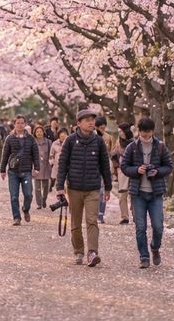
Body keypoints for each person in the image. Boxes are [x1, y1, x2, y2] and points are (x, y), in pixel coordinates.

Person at [56, 109, 112, 267]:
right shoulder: (70, 141)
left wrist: (107, 187)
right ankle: (79, 251)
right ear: (78, 123)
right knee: (75, 222)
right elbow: (63, 165)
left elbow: (104, 166)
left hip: (93, 188)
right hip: (74, 188)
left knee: (92, 220)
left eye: (92, 119)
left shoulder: (99, 141)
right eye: (87, 120)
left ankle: (92, 252)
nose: (91, 122)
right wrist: (60, 187)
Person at [121, 117, 173, 269]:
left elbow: (169, 166)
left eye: (148, 132)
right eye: (143, 132)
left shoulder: (160, 147)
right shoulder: (132, 147)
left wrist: (157, 171)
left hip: (155, 193)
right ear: (139, 131)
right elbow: (125, 167)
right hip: (138, 193)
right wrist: (137, 170)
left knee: (158, 226)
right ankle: (144, 256)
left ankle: (155, 247)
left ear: (152, 131)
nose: (145, 135)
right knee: (140, 227)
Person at [0, 114, 39, 226]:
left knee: (28, 195)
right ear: (14, 124)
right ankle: (16, 217)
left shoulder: (31, 139)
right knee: (13, 196)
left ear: (25, 124)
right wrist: (2, 169)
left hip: (26, 171)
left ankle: (25, 209)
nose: (20, 125)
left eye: (22, 123)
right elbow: (5, 154)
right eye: (18, 123)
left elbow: (35, 154)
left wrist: (36, 168)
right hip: (13, 171)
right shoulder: (9, 138)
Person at [95, 115, 116, 223]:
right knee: (95, 191)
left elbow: (112, 153)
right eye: (99, 128)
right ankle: (94, 212)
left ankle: (100, 214)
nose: (101, 130)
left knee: (102, 191)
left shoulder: (109, 138)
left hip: (105, 165)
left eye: (103, 128)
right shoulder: (92, 137)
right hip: (93, 166)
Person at [112, 123, 134, 224]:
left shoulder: (134, 142)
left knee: (134, 193)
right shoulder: (118, 142)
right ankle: (124, 216)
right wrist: (116, 168)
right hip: (122, 170)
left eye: (121, 131)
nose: (120, 133)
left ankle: (135, 214)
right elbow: (114, 155)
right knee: (122, 194)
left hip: (133, 169)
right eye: (119, 131)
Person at [32, 124, 52, 209]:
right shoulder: (32, 142)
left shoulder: (48, 142)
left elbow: (51, 154)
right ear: (35, 133)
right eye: (37, 132)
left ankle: (44, 200)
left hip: (46, 166)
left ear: (43, 132)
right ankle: (39, 203)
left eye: (40, 131)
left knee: (46, 186)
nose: (39, 133)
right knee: (37, 187)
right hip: (36, 166)